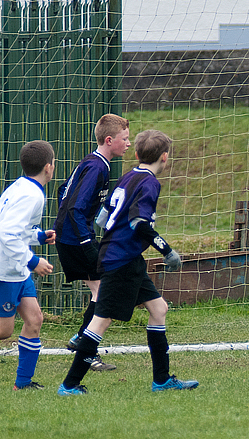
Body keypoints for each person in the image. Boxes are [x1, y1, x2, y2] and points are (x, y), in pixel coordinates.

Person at [58, 130, 198, 395]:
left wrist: (113, 232)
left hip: (127, 258)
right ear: (165, 157)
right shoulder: (149, 183)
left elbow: (104, 215)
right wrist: (166, 251)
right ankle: (69, 385)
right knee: (100, 321)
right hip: (120, 261)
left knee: (159, 309)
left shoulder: (129, 176)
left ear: (136, 154)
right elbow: (139, 222)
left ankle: (162, 380)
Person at [55, 114, 131, 372]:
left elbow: (62, 191)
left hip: (72, 236)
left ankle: (82, 340)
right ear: (109, 140)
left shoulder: (94, 162)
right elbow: (75, 207)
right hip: (75, 240)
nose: (128, 144)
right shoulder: (97, 167)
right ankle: (86, 348)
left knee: (101, 290)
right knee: (105, 292)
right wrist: (87, 240)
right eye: (125, 139)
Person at [0, 140, 57, 391]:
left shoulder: (23, 186)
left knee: (34, 319)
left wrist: (39, 236)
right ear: (48, 167)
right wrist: (33, 261)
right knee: (4, 331)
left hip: (17, 269)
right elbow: (7, 233)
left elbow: (18, 231)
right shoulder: (31, 194)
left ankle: (22, 384)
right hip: (7, 269)